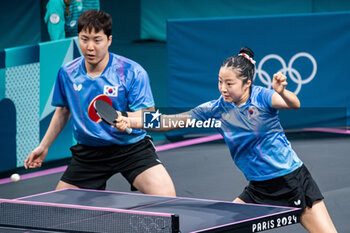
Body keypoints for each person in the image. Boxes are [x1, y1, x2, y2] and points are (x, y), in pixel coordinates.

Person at [116, 47, 337, 232]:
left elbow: (293, 104)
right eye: (220, 81)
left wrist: (282, 91)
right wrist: (130, 120)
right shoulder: (216, 109)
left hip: (291, 182)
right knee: (224, 229)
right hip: (259, 189)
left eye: (229, 83)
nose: (223, 88)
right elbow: (170, 121)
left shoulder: (262, 97)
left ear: (247, 82)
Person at [25, 9, 176, 197]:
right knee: (58, 210)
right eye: (84, 39)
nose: (90, 47)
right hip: (89, 154)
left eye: (97, 40)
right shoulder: (67, 73)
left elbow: (148, 115)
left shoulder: (131, 72)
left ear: (109, 40)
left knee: (167, 197)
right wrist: (44, 146)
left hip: (131, 148)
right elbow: (64, 110)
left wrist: (127, 120)